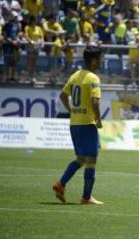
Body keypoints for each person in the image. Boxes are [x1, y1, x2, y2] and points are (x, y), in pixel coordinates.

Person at [52, 46, 104, 205]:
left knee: (81, 158)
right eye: (100, 59)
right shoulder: (93, 78)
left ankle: (61, 184)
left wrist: (72, 111)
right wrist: (98, 119)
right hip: (88, 124)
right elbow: (95, 101)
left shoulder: (75, 75)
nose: (101, 62)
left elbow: (63, 96)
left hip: (74, 124)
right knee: (91, 160)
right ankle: (86, 198)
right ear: (94, 60)